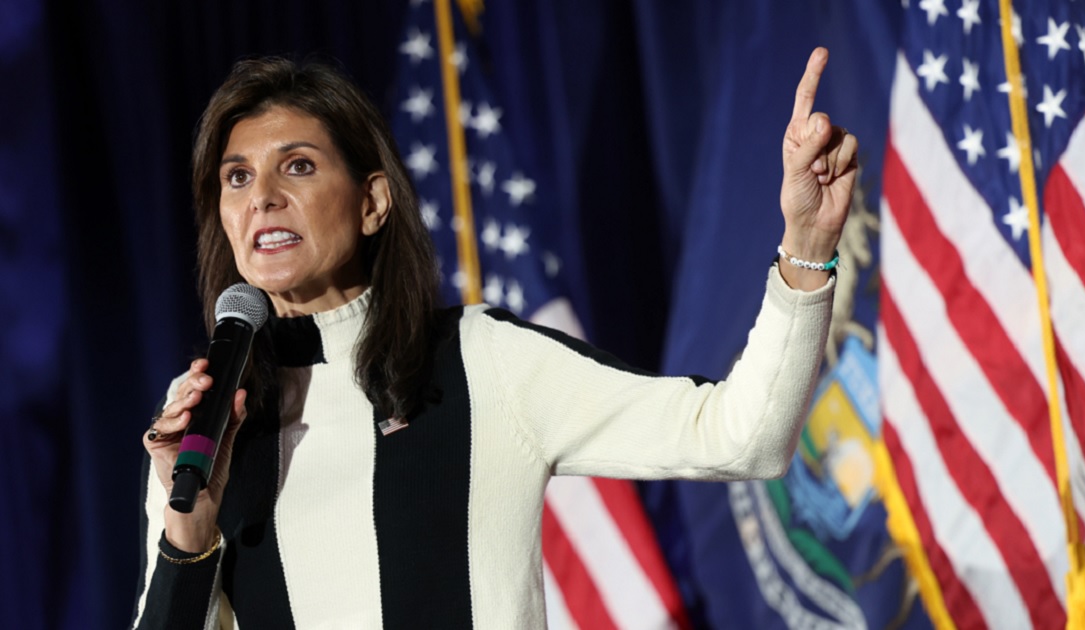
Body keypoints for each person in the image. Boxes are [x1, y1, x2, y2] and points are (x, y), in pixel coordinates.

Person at [131, 47, 857, 629]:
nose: (261, 196)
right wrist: (186, 529)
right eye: (236, 177)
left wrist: (808, 242)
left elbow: (743, 434)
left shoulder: (483, 360)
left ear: (373, 203)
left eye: (297, 165)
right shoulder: (206, 416)